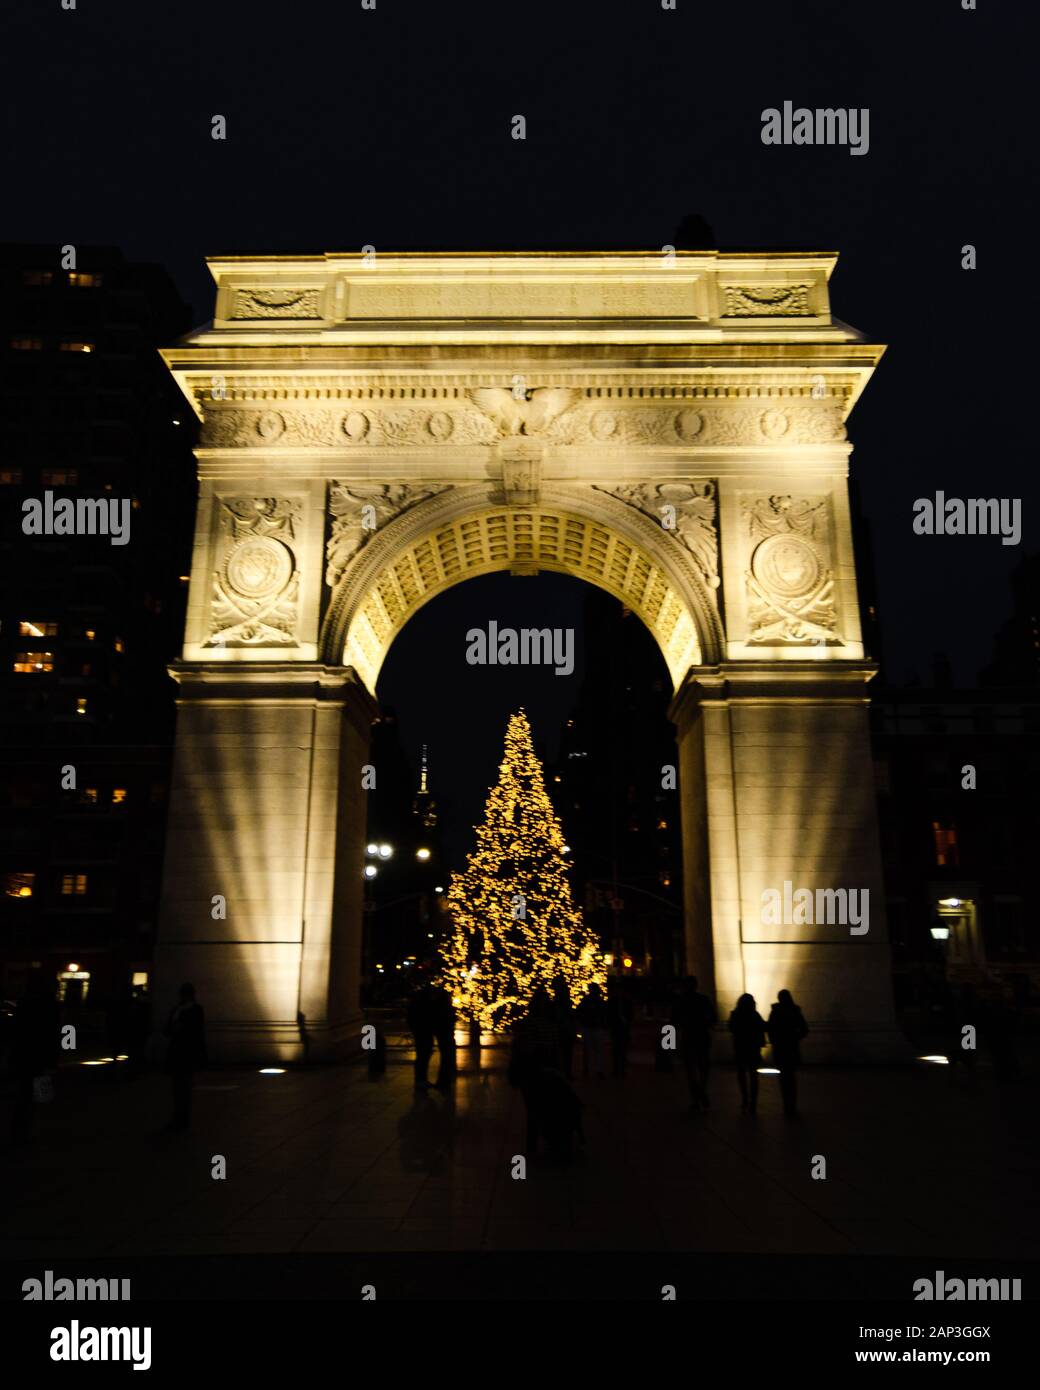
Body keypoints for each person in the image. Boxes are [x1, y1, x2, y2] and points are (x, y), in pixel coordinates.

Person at [509, 990, 582, 1161]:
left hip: (537, 1072)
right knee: (539, 1109)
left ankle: (536, 1145)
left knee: (535, 1110)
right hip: (539, 1071)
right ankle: (542, 1144)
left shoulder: (533, 1025)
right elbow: (550, 1049)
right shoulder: (544, 1025)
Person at [9, 970, 60, 1146]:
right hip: (39, 1057)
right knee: (36, 1096)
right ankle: (27, 1131)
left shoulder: (24, 1004)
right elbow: (56, 1034)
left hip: (24, 1056)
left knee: (24, 1095)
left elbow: (15, 1033)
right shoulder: (50, 1005)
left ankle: (20, 1130)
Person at [164, 982, 207, 1129]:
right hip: (182, 1052)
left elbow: (196, 1031)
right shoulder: (194, 1010)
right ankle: (180, 1117)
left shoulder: (180, 1010)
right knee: (180, 1087)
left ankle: (181, 1118)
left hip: (183, 1052)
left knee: (182, 1087)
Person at [671, 976, 716, 1110]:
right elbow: (712, 1018)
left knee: (691, 1071)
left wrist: (670, 1044)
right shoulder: (703, 1000)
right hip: (701, 1036)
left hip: (688, 1037)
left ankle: (697, 1098)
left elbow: (673, 1021)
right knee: (703, 1069)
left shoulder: (680, 1001)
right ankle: (701, 1092)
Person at [767, 989, 808, 1117]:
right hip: (791, 1047)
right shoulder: (795, 1011)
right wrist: (795, 1037)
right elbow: (804, 1029)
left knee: (784, 1078)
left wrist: (774, 1041)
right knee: (791, 1078)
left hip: (780, 1048)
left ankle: (787, 1105)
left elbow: (770, 1029)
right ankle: (792, 1105)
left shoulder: (775, 1012)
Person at [728, 993, 767, 1113]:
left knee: (741, 1074)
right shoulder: (754, 1015)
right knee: (753, 1075)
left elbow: (731, 1028)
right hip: (753, 1048)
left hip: (740, 1047)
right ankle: (753, 1100)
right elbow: (763, 1027)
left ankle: (745, 1097)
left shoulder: (735, 1015)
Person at [406, 982, 437, 1089]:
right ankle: (420, 1080)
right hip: (424, 1032)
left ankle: (421, 1079)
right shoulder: (424, 1006)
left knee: (422, 1057)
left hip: (421, 1032)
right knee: (423, 1057)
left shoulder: (415, 1005)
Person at [577, 982, 610, 1079]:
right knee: (595, 1050)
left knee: (591, 1050)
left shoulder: (590, 1001)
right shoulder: (596, 1001)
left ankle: (591, 1069)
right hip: (592, 1027)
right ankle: (594, 1069)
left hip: (592, 1027)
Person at [430, 984, 456, 1090]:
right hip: (446, 1035)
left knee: (446, 1059)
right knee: (447, 1059)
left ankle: (444, 1081)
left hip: (443, 1035)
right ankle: (445, 1082)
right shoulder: (446, 1009)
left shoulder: (438, 1008)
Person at [607, 978, 634, 1079]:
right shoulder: (612, 1001)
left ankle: (621, 1069)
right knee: (616, 1049)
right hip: (616, 1027)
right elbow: (609, 1013)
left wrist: (626, 1020)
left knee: (622, 1049)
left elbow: (631, 1014)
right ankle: (616, 1069)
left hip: (623, 1027)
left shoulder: (626, 1001)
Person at [552, 977, 575, 1080]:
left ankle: (563, 1072)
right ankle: (565, 1072)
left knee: (563, 1051)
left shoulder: (558, 1001)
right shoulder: (563, 1001)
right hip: (564, 1028)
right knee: (565, 1052)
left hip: (563, 1028)